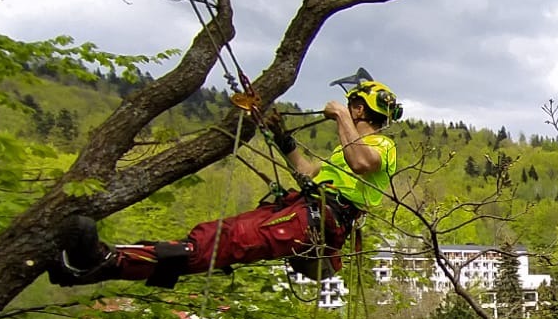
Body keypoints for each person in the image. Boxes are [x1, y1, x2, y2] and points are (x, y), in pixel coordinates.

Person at [47, 69, 400, 288]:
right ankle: (102, 263)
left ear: (358, 109)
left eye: (351, 107)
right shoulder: (344, 150)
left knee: (225, 243)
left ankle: (106, 262)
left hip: (318, 221)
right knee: (213, 235)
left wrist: (340, 116)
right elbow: (308, 172)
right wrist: (284, 140)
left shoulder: (382, 146)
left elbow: (361, 163)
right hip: (304, 211)